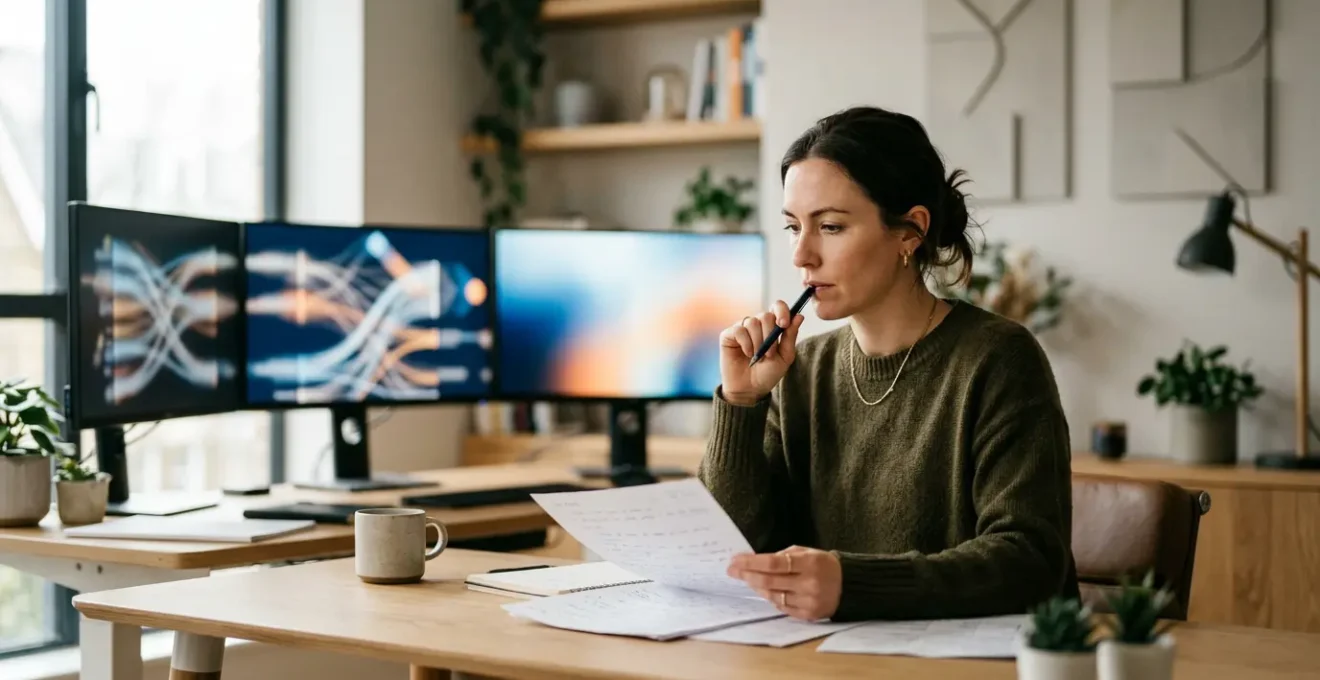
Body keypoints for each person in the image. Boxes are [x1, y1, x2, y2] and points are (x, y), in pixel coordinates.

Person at [698, 105, 1078, 623]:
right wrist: (742, 402)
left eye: (830, 227)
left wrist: (853, 584)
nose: (802, 256)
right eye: (793, 227)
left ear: (910, 231)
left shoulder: (998, 359)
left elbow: (1030, 559)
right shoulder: (800, 371)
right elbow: (734, 552)